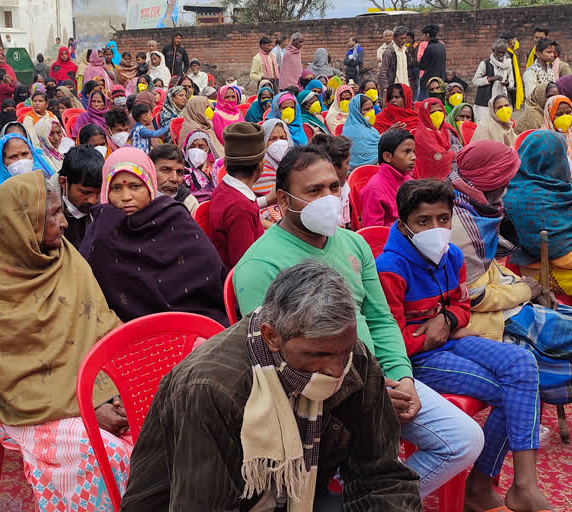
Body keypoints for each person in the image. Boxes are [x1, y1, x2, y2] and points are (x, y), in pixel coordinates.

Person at [234, 145, 484, 498]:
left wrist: (402, 377)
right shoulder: (261, 266)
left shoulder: (353, 244)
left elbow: (381, 320)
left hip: (384, 380)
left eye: (334, 187)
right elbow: (278, 361)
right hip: (320, 397)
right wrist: (372, 393)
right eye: (314, 191)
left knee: (465, 439)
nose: (329, 198)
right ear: (283, 199)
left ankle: (368, 499)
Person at [122, 259, 423, 512]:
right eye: (318, 355)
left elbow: (382, 476)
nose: (335, 369)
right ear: (272, 337)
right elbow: (201, 505)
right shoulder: (212, 387)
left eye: (343, 352)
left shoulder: (349, 356)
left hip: (295, 499)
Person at [376, 178, 553, 512]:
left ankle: (524, 484)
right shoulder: (390, 268)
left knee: (522, 362)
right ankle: (481, 484)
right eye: (423, 221)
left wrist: (447, 321)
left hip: (450, 340)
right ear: (404, 224)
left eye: (443, 219)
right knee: (511, 393)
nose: (436, 228)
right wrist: (429, 334)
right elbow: (391, 339)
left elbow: (461, 305)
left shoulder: (451, 254)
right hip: (417, 359)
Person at [0, 168, 131, 511]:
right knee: (103, 452)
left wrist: (112, 392)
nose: (65, 223)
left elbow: (101, 328)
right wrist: (87, 407)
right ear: (20, 225)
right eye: (53, 215)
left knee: (162, 424)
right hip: (31, 405)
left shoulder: (64, 258)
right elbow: (14, 374)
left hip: (89, 388)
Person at [449, 137, 572, 408]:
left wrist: (530, 291)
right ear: (489, 181)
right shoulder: (457, 226)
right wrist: (525, 291)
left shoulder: (477, 210)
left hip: (506, 303)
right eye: (504, 181)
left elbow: (491, 270)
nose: (508, 187)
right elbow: (471, 296)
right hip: (487, 320)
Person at [80, 147, 226, 323]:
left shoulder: (174, 219)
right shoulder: (102, 234)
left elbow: (211, 275)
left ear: (150, 186)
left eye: (135, 186)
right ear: (105, 193)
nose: (126, 197)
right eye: (116, 188)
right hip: (131, 335)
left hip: (194, 325)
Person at [505, 130, 572, 297]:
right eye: (563, 154)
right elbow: (557, 252)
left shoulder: (559, 188)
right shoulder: (526, 198)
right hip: (543, 271)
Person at [208, 122, 266, 268]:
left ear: (226, 164)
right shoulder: (241, 208)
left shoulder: (225, 188)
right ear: (261, 165)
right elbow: (244, 266)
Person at [359, 130, 414, 228]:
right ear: (387, 156)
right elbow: (373, 231)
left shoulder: (408, 180)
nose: (414, 157)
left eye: (413, 152)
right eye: (406, 152)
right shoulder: (375, 188)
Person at [54, 145, 103, 249]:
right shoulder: (43, 208)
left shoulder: (105, 202)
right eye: (85, 192)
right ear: (63, 182)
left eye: (98, 193)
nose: (93, 201)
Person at [414, 97, 457, 179]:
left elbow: (458, 146)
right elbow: (438, 155)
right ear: (424, 114)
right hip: (432, 176)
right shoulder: (422, 133)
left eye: (440, 111)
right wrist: (454, 153)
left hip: (454, 166)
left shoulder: (447, 129)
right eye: (432, 112)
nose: (437, 114)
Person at [149, 143, 199, 213]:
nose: (174, 179)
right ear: (150, 171)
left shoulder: (188, 203)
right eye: (165, 170)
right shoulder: (136, 200)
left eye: (179, 172)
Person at [253, 118, 293, 204]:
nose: (279, 143)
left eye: (283, 138)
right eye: (273, 139)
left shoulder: (295, 165)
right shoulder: (257, 169)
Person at [473, 39, 514, 123]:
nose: (500, 54)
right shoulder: (485, 63)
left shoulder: (508, 65)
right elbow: (475, 80)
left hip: (501, 101)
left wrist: (507, 83)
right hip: (485, 102)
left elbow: (511, 82)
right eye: (498, 52)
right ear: (493, 50)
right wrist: (490, 79)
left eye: (503, 52)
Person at [181, 129, 220, 202]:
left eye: (201, 147)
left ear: (208, 150)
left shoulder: (213, 168)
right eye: (192, 147)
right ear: (187, 148)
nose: (196, 150)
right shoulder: (182, 170)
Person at [343, 94, 380, 169]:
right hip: (359, 174)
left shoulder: (370, 129)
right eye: (366, 109)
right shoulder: (353, 130)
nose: (371, 112)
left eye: (372, 108)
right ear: (357, 112)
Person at [378, 26, 410, 100]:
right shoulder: (389, 52)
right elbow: (383, 72)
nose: (404, 40)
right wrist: (386, 89)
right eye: (401, 38)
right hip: (394, 88)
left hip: (405, 87)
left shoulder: (405, 51)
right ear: (394, 38)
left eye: (405, 38)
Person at [419, 25, 446, 99]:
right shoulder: (442, 46)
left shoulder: (429, 48)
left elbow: (422, 65)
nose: (423, 37)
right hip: (440, 80)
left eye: (424, 35)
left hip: (429, 81)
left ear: (427, 35)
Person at [541, 94, 572, 159]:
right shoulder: (542, 137)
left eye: (568, 112)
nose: (565, 117)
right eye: (559, 114)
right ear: (549, 115)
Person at [500, 31, 525, 110]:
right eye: (515, 39)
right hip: (508, 85)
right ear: (511, 41)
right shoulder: (506, 54)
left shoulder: (510, 53)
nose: (516, 41)